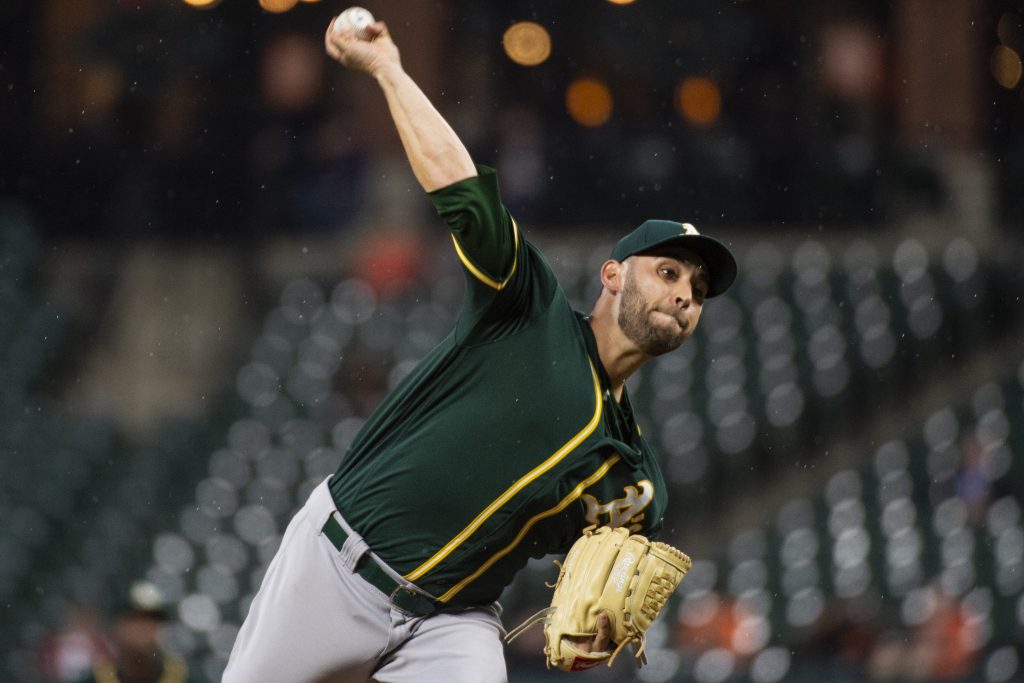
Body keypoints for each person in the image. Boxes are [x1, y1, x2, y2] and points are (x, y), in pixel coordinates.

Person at [223, 14, 738, 683]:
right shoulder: (530, 307)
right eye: (669, 272)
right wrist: (387, 69)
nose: (684, 295)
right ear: (613, 274)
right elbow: (459, 185)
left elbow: (598, 619)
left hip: (452, 620)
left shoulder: (635, 482)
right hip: (338, 566)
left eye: (697, 290)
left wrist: (602, 628)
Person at [77, 581, 196, 683]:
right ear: (116, 626)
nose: (142, 629)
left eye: (151, 620)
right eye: (134, 619)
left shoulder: (187, 678)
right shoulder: (94, 679)